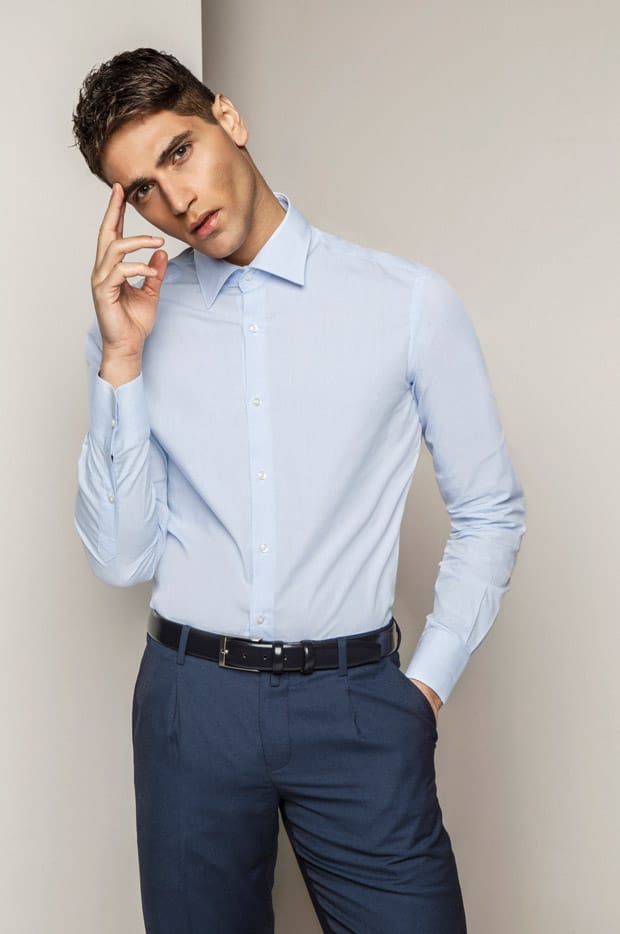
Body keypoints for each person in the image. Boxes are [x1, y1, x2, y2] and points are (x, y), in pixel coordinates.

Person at [72, 47, 526, 934]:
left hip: (356, 705)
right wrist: (121, 358)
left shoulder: (406, 304)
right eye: (143, 191)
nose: (177, 201)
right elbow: (122, 559)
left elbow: (489, 509)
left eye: (179, 152)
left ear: (229, 120)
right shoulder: (130, 327)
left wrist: (423, 690)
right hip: (191, 706)